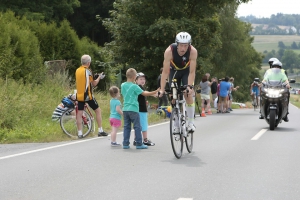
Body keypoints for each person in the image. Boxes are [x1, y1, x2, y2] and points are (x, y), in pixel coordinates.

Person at [159, 31, 198, 133]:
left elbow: (192, 71)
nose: (183, 48)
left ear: (189, 45)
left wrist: (189, 87)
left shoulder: (193, 51)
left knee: (188, 94)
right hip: (174, 71)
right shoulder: (169, 51)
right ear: (177, 44)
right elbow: (165, 72)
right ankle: (176, 125)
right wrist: (162, 89)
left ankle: (190, 123)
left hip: (186, 72)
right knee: (173, 96)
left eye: (186, 46)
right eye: (181, 45)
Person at [121, 68, 159, 149]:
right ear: (134, 77)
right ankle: (139, 143)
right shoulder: (135, 86)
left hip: (125, 109)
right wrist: (155, 91)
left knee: (126, 127)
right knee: (137, 126)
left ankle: (125, 144)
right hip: (134, 109)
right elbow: (144, 93)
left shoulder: (122, 85)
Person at [75, 54, 108, 138]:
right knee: (98, 110)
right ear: (89, 63)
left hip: (79, 95)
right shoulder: (88, 71)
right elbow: (94, 83)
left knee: (79, 113)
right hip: (88, 95)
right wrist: (99, 77)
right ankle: (100, 130)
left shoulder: (77, 70)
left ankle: (80, 133)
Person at [134, 72, 155, 146]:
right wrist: (154, 94)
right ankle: (145, 140)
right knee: (144, 125)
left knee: (138, 125)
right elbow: (145, 93)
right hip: (141, 110)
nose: (143, 80)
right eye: (140, 79)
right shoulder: (139, 87)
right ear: (136, 80)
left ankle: (136, 139)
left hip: (137, 109)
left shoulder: (136, 87)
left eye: (144, 79)